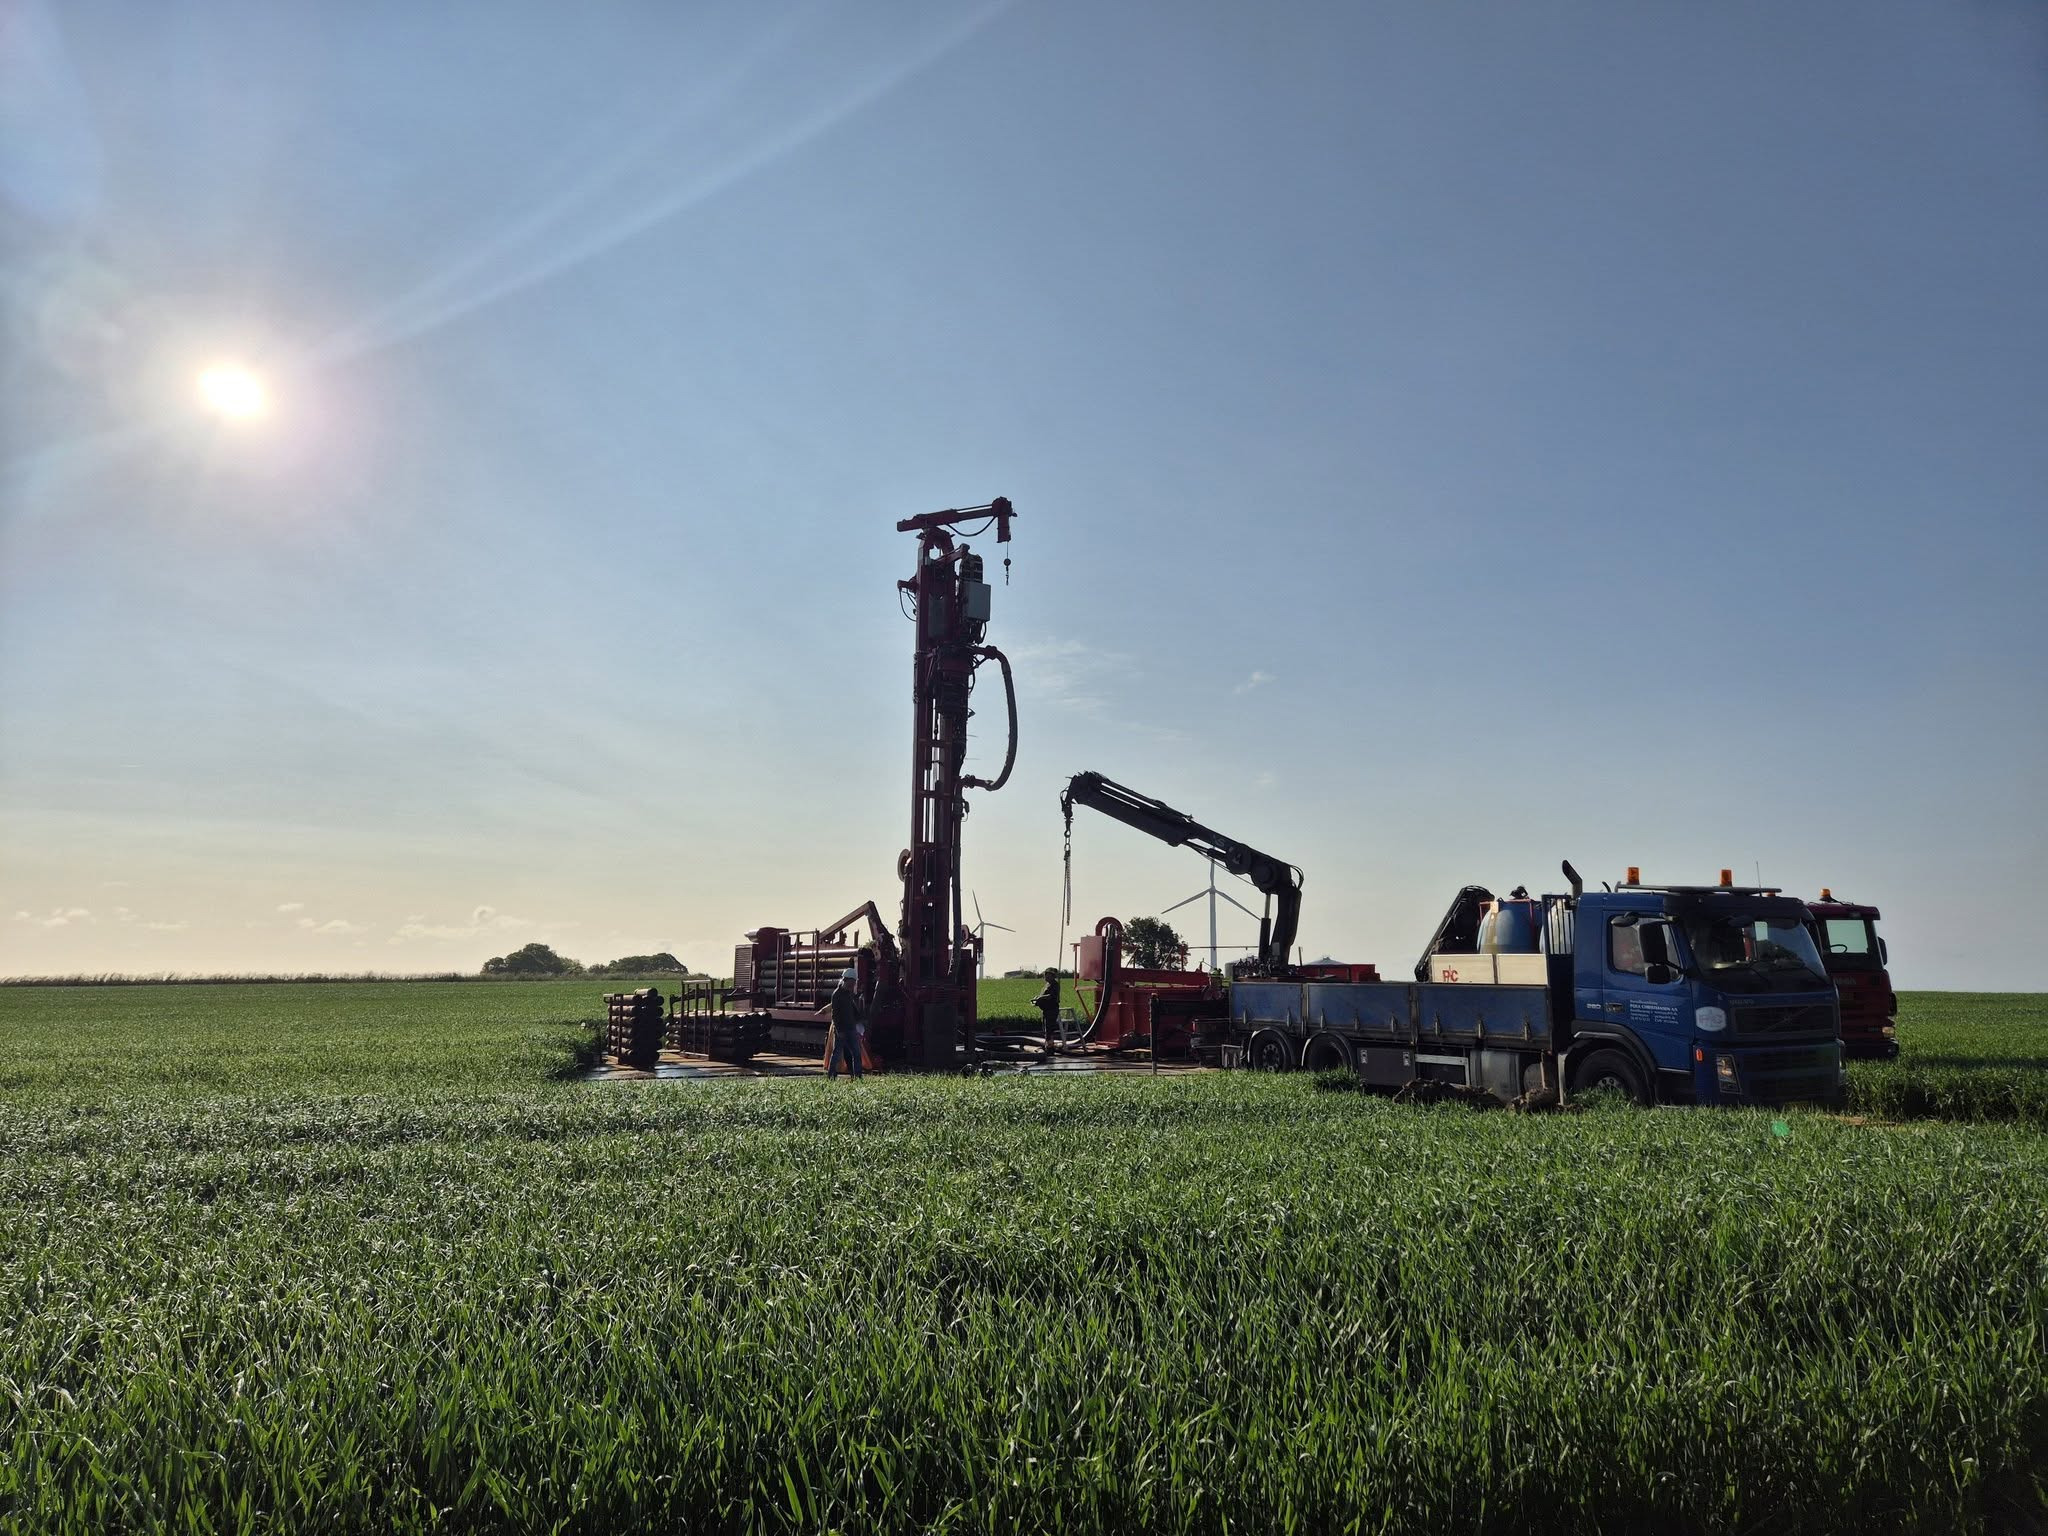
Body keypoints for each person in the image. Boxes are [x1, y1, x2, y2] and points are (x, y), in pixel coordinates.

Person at [828, 967, 865, 1080]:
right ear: (846, 980)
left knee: (856, 1053)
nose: (853, 985)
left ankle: (857, 1075)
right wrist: (839, 1030)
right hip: (842, 1030)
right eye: (852, 982)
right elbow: (835, 1014)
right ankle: (831, 1075)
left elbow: (852, 1008)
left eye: (854, 982)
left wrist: (860, 1020)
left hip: (851, 1028)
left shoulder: (849, 993)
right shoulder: (836, 995)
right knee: (837, 1053)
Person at [1032, 967, 1061, 1054]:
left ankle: (1050, 1048)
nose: (1045, 977)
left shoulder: (1055, 985)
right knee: (1046, 1029)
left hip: (1051, 1010)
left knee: (1049, 1030)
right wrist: (1037, 999)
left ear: (1052, 976)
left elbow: (1051, 996)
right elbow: (1044, 995)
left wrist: (1040, 998)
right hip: (1046, 1010)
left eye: (1047, 975)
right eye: (1045, 975)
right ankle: (1047, 1046)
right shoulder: (1047, 985)